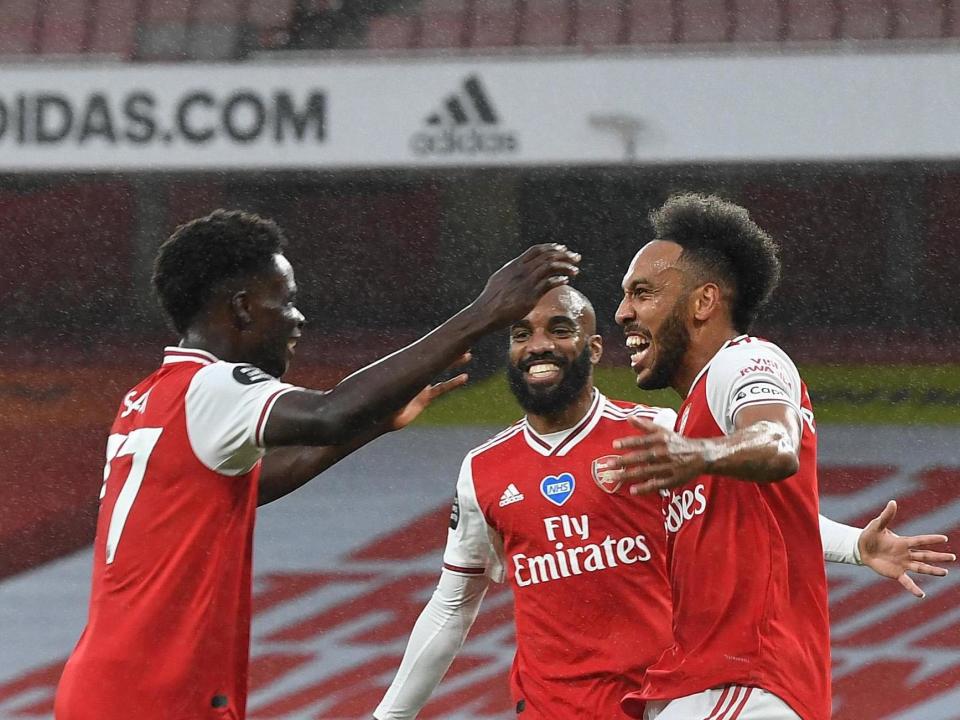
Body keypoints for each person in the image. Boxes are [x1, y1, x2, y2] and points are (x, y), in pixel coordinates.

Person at [53, 209, 581, 720]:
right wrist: (484, 313)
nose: (298, 318)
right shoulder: (212, 386)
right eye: (285, 301)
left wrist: (373, 423)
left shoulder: (147, 397)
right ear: (240, 309)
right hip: (159, 692)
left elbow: (258, 480)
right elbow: (330, 411)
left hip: (108, 683)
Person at [373, 285, 951, 719]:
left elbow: (745, 515)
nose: (538, 345)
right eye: (522, 334)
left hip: (662, 700)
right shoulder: (484, 470)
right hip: (553, 710)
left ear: (594, 347)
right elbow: (452, 607)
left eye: (559, 329)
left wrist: (854, 545)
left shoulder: (657, 433)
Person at [611, 194, 954, 720]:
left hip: (743, 683)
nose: (623, 312)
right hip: (726, 685)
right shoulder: (696, 413)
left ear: (703, 302)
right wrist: (854, 547)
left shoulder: (747, 360)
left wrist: (695, 452)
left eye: (643, 293)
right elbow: (767, 517)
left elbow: (776, 441)